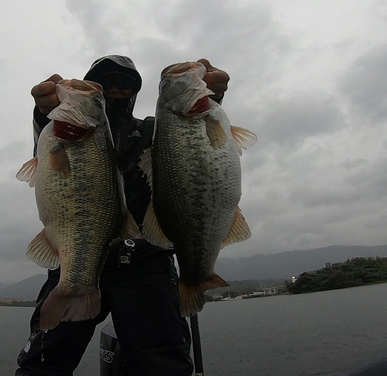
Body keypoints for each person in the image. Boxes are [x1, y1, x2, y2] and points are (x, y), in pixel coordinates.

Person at [15, 55, 230, 376]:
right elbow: (46, 143)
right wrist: (43, 112)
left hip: (147, 264)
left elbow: (190, 139)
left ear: (136, 90)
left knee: (165, 366)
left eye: (125, 82)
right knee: (42, 367)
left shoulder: (155, 131)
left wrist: (210, 97)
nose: (116, 89)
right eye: (106, 83)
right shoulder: (58, 132)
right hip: (80, 259)